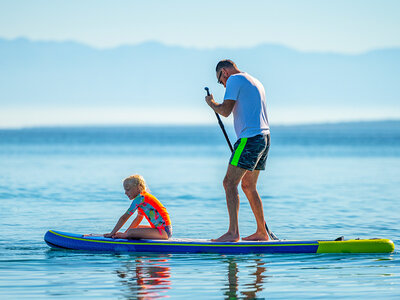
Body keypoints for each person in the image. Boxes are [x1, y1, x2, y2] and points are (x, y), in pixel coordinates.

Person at [205, 59, 271, 242]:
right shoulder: (254, 80)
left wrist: (211, 103)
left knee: (229, 183)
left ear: (224, 72)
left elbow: (225, 111)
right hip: (264, 138)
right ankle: (261, 233)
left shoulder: (234, 80)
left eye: (220, 81)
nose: (223, 84)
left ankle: (233, 233)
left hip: (249, 139)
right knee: (249, 186)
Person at [104, 175, 172, 240]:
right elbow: (138, 218)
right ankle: (127, 235)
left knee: (131, 232)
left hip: (163, 232)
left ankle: (128, 235)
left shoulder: (140, 198)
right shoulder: (143, 199)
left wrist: (112, 234)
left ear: (138, 187)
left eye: (128, 189)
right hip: (163, 230)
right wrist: (125, 234)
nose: (125, 193)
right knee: (135, 229)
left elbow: (124, 217)